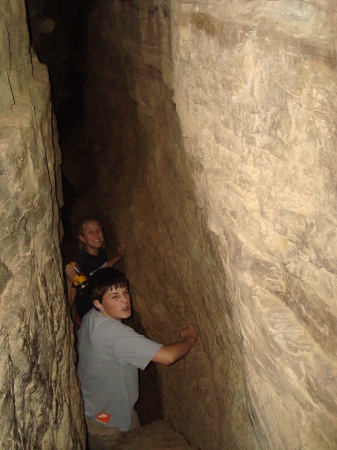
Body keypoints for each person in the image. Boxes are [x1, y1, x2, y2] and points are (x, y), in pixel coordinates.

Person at [77, 267, 198, 449]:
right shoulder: (116, 336)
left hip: (93, 409)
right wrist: (189, 338)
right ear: (98, 304)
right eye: (114, 296)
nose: (125, 300)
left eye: (125, 292)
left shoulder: (91, 318)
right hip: (110, 425)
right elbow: (168, 356)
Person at [65, 218, 127, 324]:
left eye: (98, 230)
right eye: (90, 232)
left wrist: (118, 256)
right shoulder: (80, 264)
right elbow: (69, 302)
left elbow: (102, 267)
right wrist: (69, 281)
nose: (96, 235)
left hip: (103, 311)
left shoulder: (99, 253)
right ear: (82, 238)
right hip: (90, 318)